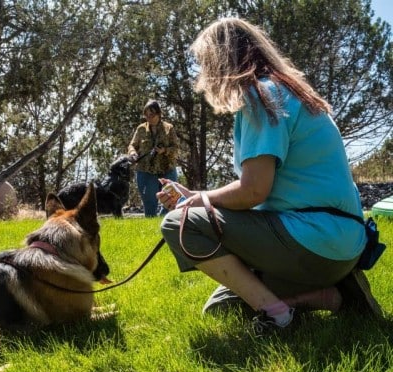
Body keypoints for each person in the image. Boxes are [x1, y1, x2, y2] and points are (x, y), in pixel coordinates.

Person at [157, 17, 382, 335]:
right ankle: (335, 296)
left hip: (313, 238)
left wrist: (196, 201)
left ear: (221, 61)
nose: (203, 74)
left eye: (205, 63)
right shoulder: (289, 93)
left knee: (177, 224)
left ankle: (278, 316)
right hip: (343, 242)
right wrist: (196, 196)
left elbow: (253, 192)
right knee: (222, 306)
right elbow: (262, 192)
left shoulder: (261, 97)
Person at [128, 100, 179, 217]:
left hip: (167, 170)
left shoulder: (169, 128)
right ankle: (152, 229)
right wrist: (132, 152)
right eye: (146, 115)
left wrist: (165, 150)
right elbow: (132, 145)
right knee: (150, 205)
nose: (149, 117)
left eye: (152, 115)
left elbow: (176, 148)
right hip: (146, 171)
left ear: (159, 114)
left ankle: (164, 223)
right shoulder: (141, 129)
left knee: (171, 202)